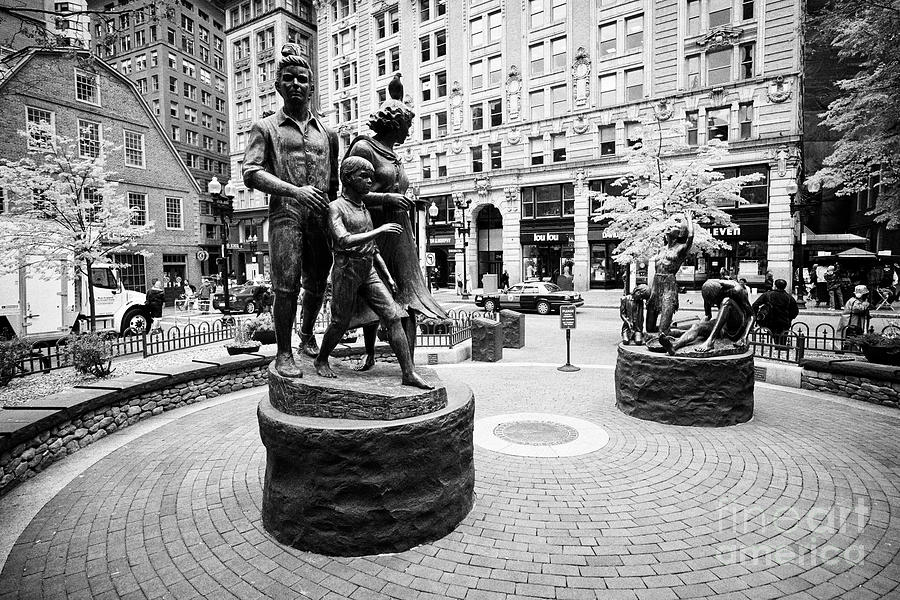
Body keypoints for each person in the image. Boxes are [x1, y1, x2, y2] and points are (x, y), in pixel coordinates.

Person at [243, 43, 338, 377]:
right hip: (286, 213)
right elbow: (251, 172)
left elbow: (336, 182)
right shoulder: (265, 127)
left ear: (311, 86)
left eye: (301, 79)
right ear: (278, 86)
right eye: (289, 79)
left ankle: (307, 335)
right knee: (286, 285)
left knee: (317, 282)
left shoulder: (329, 132)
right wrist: (295, 190)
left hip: (322, 216)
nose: (296, 84)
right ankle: (284, 353)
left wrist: (338, 219)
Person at [344, 79, 448, 372]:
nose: (409, 131)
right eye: (407, 125)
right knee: (370, 293)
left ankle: (409, 366)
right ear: (395, 123)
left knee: (409, 294)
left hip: (401, 230)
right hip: (373, 229)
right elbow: (351, 190)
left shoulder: (394, 155)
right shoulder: (364, 148)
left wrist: (405, 202)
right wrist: (388, 197)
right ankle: (369, 354)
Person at [314, 156, 432, 389]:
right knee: (339, 322)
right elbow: (343, 239)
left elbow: (374, 249)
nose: (370, 181)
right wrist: (380, 229)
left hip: (368, 270)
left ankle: (408, 373)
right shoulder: (335, 207)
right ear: (348, 178)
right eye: (364, 176)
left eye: (371, 176)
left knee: (394, 316)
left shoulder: (363, 207)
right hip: (346, 270)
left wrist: (387, 276)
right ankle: (321, 359)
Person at [658, 279, 755, 356]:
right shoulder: (708, 292)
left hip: (737, 325)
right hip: (722, 324)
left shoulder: (737, 290)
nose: (712, 304)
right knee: (697, 326)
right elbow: (708, 315)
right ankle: (674, 346)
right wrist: (702, 326)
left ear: (720, 292)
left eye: (714, 301)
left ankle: (710, 341)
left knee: (727, 301)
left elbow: (751, 316)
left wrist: (744, 337)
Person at [646, 211, 694, 336]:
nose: (670, 227)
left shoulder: (681, 248)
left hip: (669, 286)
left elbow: (691, 237)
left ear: (679, 233)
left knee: (663, 332)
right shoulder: (661, 249)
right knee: (650, 328)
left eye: (675, 227)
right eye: (670, 225)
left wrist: (689, 219)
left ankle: (692, 331)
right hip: (656, 286)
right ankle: (668, 326)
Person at [752, 278, 799, 346]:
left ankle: (777, 347)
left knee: (775, 337)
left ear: (775, 286)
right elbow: (795, 311)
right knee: (783, 338)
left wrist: (756, 316)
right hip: (784, 321)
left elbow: (755, 305)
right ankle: (781, 348)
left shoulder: (767, 294)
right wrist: (790, 318)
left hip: (771, 320)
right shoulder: (789, 297)